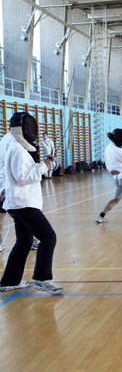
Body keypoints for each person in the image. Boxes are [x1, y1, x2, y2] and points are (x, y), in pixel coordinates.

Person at [0, 112, 63, 294]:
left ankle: (8, 281)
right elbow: (22, 177)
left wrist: (46, 164)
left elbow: (23, 172)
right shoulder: (17, 149)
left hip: (20, 202)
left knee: (24, 241)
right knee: (48, 237)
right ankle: (43, 279)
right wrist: (44, 166)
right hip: (23, 203)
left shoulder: (18, 147)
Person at [0, 131, 16, 252]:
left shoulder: (5, 138)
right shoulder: (13, 140)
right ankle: (28, 239)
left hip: (4, 183)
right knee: (23, 213)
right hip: (7, 184)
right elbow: (8, 165)